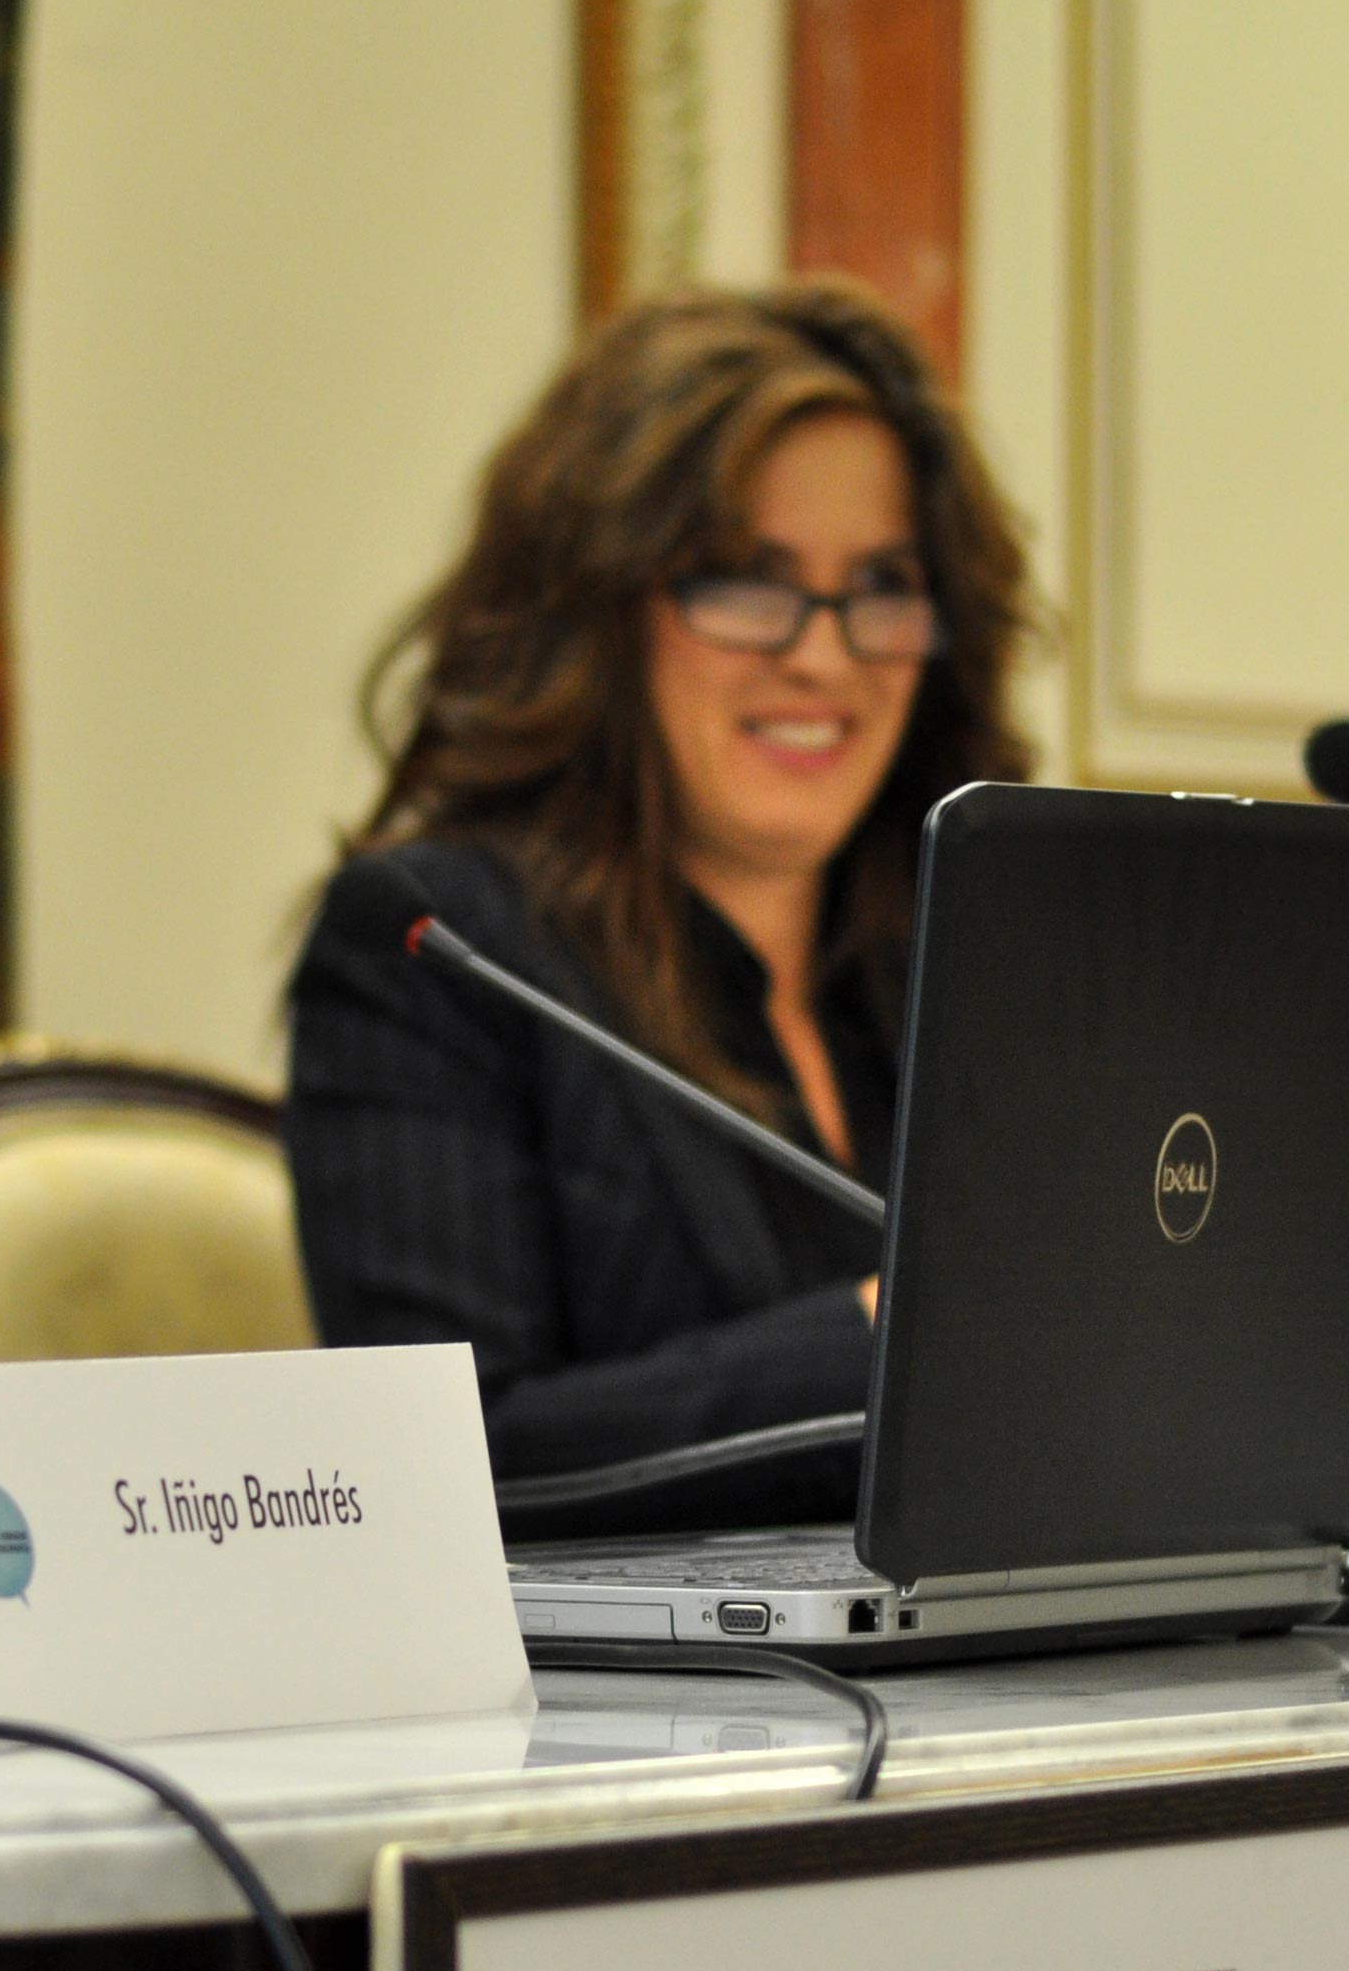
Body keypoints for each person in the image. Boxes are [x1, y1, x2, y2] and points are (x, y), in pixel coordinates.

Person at [284, 283, 1035, 1483]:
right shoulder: (433, 948)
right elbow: (441, 1459)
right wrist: (873, 1343)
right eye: (746, 579)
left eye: (884, 586)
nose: (823, 653)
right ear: (596, 605)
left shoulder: (966, 960)